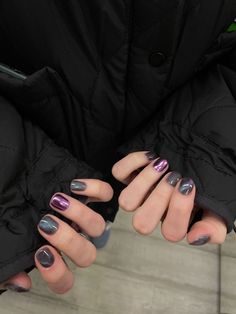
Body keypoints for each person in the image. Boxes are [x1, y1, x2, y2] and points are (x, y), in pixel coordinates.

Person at [0, 1, 236, 294]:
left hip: (129, 142)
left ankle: (97, 217)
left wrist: (207, 137)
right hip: (29, 108)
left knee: (94, 216)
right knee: (85, 219)